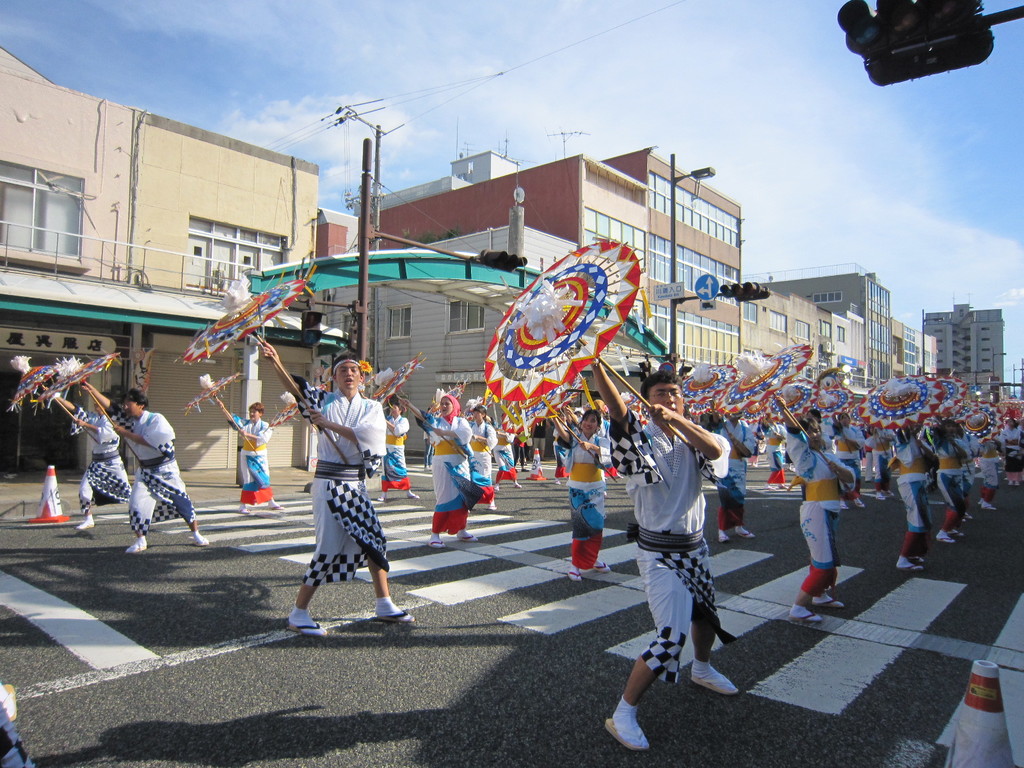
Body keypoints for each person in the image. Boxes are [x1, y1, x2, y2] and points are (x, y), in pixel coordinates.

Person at [591, 362, 737, 752]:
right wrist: (595, 366)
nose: (668, 398)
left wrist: (677, 420)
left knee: (705, 614)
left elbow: (715, 449)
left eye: (674, 393)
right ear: (646, 399)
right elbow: (618, 413)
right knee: (671, 638)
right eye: (659, 393)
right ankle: (623, 712)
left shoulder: (696, 436)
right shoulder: (639, 438)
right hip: (658, 552)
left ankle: (702, 669)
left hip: (695, 546)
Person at [260, 344, 414, 632]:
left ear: (362, 377)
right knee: (329, 547)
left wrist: (327, 423)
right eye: (342, 370)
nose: (349, 374)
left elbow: (370, 435)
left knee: (374, 541)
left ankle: (384, 603)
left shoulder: (370, 407)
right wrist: (276, 361)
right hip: (330, 482)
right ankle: (298, 612)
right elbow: (296, 387)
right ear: (334, 377)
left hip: (354, 484)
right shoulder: (322, 399)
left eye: (354, 370)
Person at [88, 386, 209, 553]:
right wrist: (91, 390)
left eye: (128, 403)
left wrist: (125, 433)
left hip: (164, 469)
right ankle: (140, 539)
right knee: (136, 503)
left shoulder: (156, 419)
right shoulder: (128, 420)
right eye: (124, 403)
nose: (124, 407)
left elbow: (157, 443)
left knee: (181, 500)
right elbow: (111, 407)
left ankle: (196, 533)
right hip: (145, 471)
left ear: (140, 405)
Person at [778, 401, 855, 623]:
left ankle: (820, 594)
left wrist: (839, 470)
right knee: (824, 562)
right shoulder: (804, 457)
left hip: (830, 509)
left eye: (817, 429)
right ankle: (798, 606)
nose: (815, 433)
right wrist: (785, 410)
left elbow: (850, 477)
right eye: (810, 430)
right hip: (816, 510)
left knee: (826, 557)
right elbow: (794, 435)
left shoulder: (828, 456)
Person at [403, 393, 477, 548]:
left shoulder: (461, 421)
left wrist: (444, 433)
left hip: (461, 464)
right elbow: (423, 417)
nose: (443, 406)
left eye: (447, 404)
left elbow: (466, 435)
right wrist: (410, 405)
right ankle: (435, 534)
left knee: (463, 498)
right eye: (442, 403)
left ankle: (461, 529)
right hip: (442, 464)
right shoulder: (435, 421)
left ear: (454, 406)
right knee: (444, 497)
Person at [54, 386, 131, 531]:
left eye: (98, 403)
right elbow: (76, 410)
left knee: (127, 491)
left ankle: (142, 511)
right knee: (84, 490)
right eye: (95, 403)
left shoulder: (113, 420)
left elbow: (105, 434)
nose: (96, 406)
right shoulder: (95, 418)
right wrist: (57, 397)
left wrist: (86, 425)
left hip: (113, 461)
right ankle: (88, 518)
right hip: (97, 462)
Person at [551, 408, 612, 581]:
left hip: (596, 489)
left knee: (596, 526)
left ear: (598, 425)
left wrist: (592, 447)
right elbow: (563, 435)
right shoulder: (574, 438)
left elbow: (609, 459)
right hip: (577, 489)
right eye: (586, 419)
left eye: (593, 421)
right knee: (580, 526)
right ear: (581, 422)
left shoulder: (602, 441)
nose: (588, 423)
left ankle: (593, 558)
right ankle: (575, 565)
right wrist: (554, 417)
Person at [213, 399, 284, 514]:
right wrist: (222, 408)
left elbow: (263, 438)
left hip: (260, 455)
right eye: (250, 412)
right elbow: (233, 420)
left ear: (260, 413)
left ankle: (270, 501)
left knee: (264, 479)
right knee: (248, 479)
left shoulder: (265, 425)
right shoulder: (245, 423)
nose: (251, 414)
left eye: (254, 412)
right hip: (247, 455)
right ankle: (243, 505)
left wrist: (247, 434)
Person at [891, 425, 936, 571]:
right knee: (916, 519)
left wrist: (921, 443)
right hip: (909, 482)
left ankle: (914, 553)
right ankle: (903, 558)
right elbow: (907, 459)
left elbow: (933, 458)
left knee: (924, 518)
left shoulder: (916, 438)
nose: (917, 424)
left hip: (919, 480)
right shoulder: (901, 437)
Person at [709, 412, 757, 542]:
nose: (732, 413)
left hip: (739, 466)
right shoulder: (721, 425)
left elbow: (747, 451)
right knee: (725, 498)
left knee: (739, 497)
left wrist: (735, 441)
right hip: (723, 466)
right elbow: (713, 423)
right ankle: (722, 530)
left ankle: (739, 526)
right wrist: (715, 409)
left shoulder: (745, 427)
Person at [378, 400, 419, 503]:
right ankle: (384, 493)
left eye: (395, 408)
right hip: (387, 447)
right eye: (392, 408)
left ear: (400, 410)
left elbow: (397, 432)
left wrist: (385, 422)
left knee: (401, 469)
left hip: (398, 449)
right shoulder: (388, 419)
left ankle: (408, 491)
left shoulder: (404, 421)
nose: (392, 410)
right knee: (386, 470)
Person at [833, 412, 866, 509]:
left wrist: (850, 441)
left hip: (854, 457)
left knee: (856, 478)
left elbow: (861, 442)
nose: (844, 420)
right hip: (842, 457)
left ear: (849, 419)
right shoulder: (839, 429)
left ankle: (856, 497)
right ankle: (842, 499)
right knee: (843, 479)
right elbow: (836, 430)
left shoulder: (855, 429)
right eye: (842, 418)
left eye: (846, 417)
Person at [468, 405, 498, 510]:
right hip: (473, 455)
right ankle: (471, 501)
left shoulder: (488, 427)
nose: (475, 415)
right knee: (473, 478)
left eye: (477, 413)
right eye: (474, 413)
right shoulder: (471, 426)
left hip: (484, 455)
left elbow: (492, 441)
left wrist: (479, 438)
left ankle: (491, 501)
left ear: (483, 415)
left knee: (485, 477)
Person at [492, 422, 523, 491]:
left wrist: (503, 434)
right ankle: (497, 484)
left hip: (507, 450)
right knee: (502, 468)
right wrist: (496, 431)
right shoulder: (498, 426)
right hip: (498, 450)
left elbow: (510, 439)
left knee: (511, 467)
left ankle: (515, 482)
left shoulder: (512, 428)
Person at [762, 415, 787, 490]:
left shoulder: (780, 427)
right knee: (777, 467)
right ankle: (768, 484)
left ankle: (781, 483)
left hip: (779, 448)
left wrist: (779, 436)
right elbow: (766, 433)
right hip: (772, 449)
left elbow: (785, 437)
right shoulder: (768, 427)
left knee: (781, 466)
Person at [977, 435, 1001, 510]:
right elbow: (983, 449)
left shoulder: (991, 435)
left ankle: (983, 499)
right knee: (992, 482)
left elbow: (999, 445)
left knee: (987, 480)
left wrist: (993, 439)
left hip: (992, 460)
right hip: (987, 461)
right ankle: (986, 502)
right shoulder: (980, 438)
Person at [998, 417, 1023, 485]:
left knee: (1017, 464)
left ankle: (1017, 479)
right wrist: (1003, 449)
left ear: (1014, 423)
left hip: (1017, 448)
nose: (1009, 423)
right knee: (1009, 464)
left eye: (1011, 421)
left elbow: (1020, 440)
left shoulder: (1018, 431)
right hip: (1008, 448)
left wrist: (1021, 449)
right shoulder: (1004, 431)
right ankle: (1010, 479)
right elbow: (1002, 440)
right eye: (1008, 422)